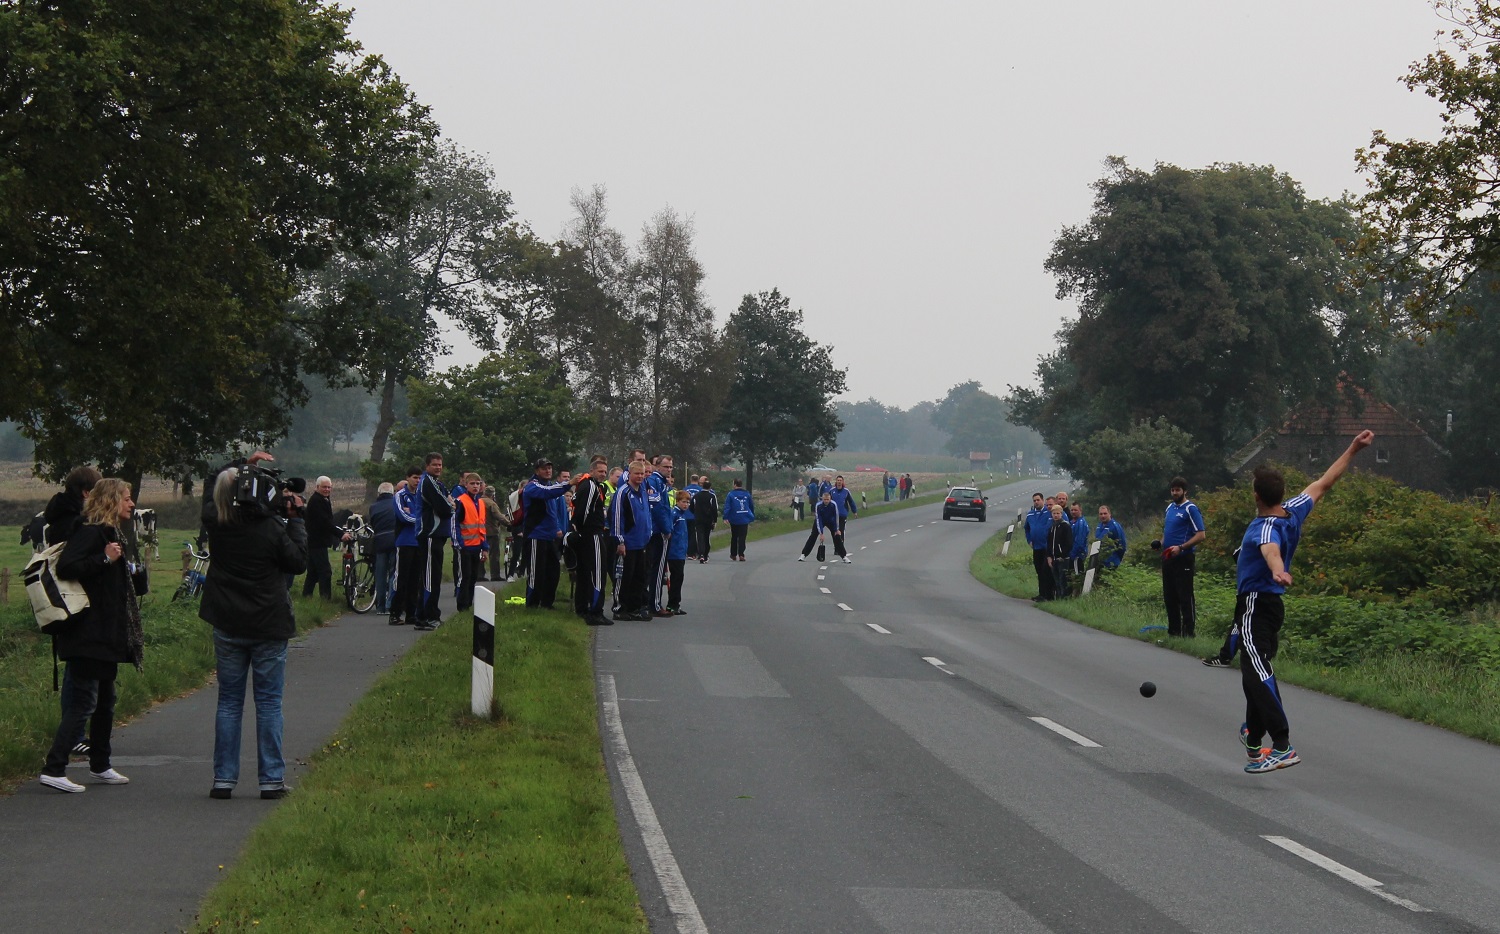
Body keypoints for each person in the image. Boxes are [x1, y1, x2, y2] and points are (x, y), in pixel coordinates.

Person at [1238, 430, 1374, 774]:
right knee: (1254, 669)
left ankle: (1282, 745)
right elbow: (1325, 481)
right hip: (1270, 606)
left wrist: (1278, 569)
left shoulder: (1264, 526)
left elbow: (1269, 549)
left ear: (1256, 495)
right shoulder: (1293, 511)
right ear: (1281, 494)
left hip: (1257, 601)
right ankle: (1255, 743)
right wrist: (1353, 449)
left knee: (1256, 671)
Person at [200, 467, 308, 799]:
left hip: (228, 620)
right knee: (269, 702)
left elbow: (213, 497)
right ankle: (271, 780)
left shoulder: (217, 522)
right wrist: (296, 518)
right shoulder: (272, 527)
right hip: (268, 622)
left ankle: (223, 779)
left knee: (229, 702)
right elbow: (298, 561)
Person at [38, 479, 142, 793]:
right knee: (84, 702)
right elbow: (69, 566)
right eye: (126, 498)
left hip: (106, 635)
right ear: (111, 500)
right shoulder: (91, 533)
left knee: (105, 702)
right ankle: (54, 767)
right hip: (87, 635)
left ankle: (100, 764)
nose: (132, 503)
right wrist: (105, 559)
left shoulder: (111, 535)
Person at [42, 465, 103, 759]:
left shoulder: (61, 515)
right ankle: (74, 736)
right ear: (86, 493)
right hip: (73, 599)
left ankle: (76, 733)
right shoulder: (74, 522)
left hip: (64, 599)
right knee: (77, 673)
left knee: (74, 669)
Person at [522, 458, 571, 609]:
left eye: (550, 468)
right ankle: (532, 603)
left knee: (553, 570)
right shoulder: (532, 486)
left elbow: (552, 511)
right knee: (536, 572)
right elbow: (547, 493)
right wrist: (569, 484)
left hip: (550, 536)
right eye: (544, 468)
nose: (548, 471)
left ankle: (547, 602)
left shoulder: (550, 486)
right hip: (536, 535)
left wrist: (558, 527)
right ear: (537, 471)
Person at [1161, 476, 1206, 637]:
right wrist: (1161, 544)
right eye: (1172, 490)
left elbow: (1201, 535)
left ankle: (1189, 633)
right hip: (1168, 558)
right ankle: (1174, 631)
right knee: (1169, 596)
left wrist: (1181, 547)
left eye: (1178, 490)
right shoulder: (1169, 508)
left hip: (1183, 558)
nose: (1175, 493)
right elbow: (1167, 532)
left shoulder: (1191, 509)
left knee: (1185, 596)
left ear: (1185, 491)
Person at [610, 460, 653, 621]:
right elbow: (617, 518)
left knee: (639, 577)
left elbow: (647, 513)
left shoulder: (642, 491)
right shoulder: (623, 492)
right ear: (630, 475)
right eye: (637, 474)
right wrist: (620, 541)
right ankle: (619, 608)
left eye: (642, 474)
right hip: (627, 542)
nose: (640, 477)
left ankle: (634, 608)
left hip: (642, 541)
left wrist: (649, 532)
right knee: (624, 577)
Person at [572, 457, 611, 625]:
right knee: (597, 573)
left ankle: (582, 608)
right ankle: (595, 611)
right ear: (592, 471)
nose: (603, 474)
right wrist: (582, 529)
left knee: (585, 572)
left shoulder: (591, 486)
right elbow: (583, 512)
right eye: (600, 471)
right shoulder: (590, 487)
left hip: (589, 534)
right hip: (592, 534)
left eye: (605, 472)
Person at [416, 453, 453, 630]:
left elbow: (450, 501)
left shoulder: (438, 483)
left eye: (440, 465)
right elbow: (445, 506)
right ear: (427, 466)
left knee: (432, 577)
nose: (438, 467)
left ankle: (423, 617)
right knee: (431, 578)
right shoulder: (428, 482)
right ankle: (429, 617)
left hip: (437, 535)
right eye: (434, 465)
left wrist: (451, 504)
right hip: (430, 534)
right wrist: (450, 505)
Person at [390, 467, 422, 626]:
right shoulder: (400, 496)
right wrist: (419, 521)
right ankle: (394, 613)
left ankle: (411, 613)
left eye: (419, 478)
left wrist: (415, 517)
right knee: (401, 578)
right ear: (408, 478)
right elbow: (403, 516)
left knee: (414, 580)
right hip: (404, 542)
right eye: (415, 477)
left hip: (418, 542)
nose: (417, 481)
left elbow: (426, 513)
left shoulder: (421, 495)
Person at [452, 472, 488, 612]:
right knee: (464, 577)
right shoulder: (461, 501)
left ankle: (469, 603)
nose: (475, 486)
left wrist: (484, 547)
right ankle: (462, 606)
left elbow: (481, 526)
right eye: (472, 483)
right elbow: (455, 523)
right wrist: (459, 543)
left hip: (477, 545)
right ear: (466, 485)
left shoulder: (480, 502)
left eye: (477, 484)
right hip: (465, 546)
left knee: (473, 577)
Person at [644, 454, 674, 617]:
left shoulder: (662, 482)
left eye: (670, 467)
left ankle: (653, 602)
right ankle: (654, 604)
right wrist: (666, 529)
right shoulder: (655, 482)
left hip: (658, 528)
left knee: (656, 568)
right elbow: (659, 508)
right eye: (666, 467)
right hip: (659, 530)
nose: (668, 470)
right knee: (659, 568)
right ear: (658, 466)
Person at [301, 476, 336, 600]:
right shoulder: (316, 501)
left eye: (329, 487)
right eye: (324, 487)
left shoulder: (323, 499)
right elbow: (324, 521)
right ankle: (325, 599)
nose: (327, 489)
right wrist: (340, 533)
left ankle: (307, 595)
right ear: (317, 487)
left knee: (313, 572)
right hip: (316, 542)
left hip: (316, 541)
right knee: (325, 571)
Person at [368, 482, 398, 615]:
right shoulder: (396, 503)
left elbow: (373, 524)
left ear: (379, 493)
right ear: (392, 493)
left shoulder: (373, 507)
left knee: (380, 574)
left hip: (379, 542)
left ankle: (379, 606)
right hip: (395, 540)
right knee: (393, 573)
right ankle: (390, 604)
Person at [799, 490, 848, 563]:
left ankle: (844, 556)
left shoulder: (833, 504)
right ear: (822, 499)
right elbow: (818, 519)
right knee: (813, 536)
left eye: (828, 499)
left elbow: (836, 517)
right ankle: (803, 554)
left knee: (837, 537)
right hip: (821, 520)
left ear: (830, 499)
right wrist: (821, 533)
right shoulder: (818, 505)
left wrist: (837, 529)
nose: (826, 501)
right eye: (824, 499)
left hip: (831, 521)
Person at [665, 490, 692, 614]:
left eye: (687, 502)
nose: (686, 505)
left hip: (681, 551)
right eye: (683, 502)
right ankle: (672, 604)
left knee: (679, 578)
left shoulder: (682, 515)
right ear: (677, 501)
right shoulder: (674, 514)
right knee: (676, 578)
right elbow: (669, 531)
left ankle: (676, 603)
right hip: (674, 552)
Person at [1024, 493, 1053, 601]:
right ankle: (1041, 594)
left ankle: (1048, 595)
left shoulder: (1048, 512)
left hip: (1046, 547)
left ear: (1042, 500)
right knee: (1039, 571)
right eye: (1034, 501)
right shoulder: (1030, 514)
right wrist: (1029, 540)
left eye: (1038, 500)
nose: (1036, 502)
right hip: (1036, 548)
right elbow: (1026, 528)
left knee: (1046, 571)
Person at [722, 479, 755, 561]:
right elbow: (751, 505)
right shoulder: (747, 494)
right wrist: (751, 515)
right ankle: (741, 554)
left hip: (734, 518)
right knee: (742, 537)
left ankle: (733, 554)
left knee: (734, 536)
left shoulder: (730, 494)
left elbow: (727, 507)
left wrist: (725, 517)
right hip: (744, 518)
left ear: (735, 485)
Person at [481, 485, 508, 582]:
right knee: (494, 554)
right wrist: (509, 523)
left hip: (480, 531)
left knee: (481, 554)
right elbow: (498, 516)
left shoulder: (479, 501)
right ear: (493, 494)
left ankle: (480, 574)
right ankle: (495, 575)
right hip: (492, 531)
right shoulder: (491, 503)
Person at [1046, 503, 1073, 600]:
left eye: (1058, 513)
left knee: (1063, 580)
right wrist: (1049, 556)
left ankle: (1064, 598)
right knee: (1056, 580)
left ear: (1061, 514)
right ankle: (1058, 598)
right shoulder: (1052, 527)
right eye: (1054, 513)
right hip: (1053, 558)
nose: (1056, 515)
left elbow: (1069, 543)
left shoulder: (1065, 526)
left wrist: (1063, 555)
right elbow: (1049, 543)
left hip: (1063, 558)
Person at [691, 478, 718, 563]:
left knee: (700, 537)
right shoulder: (711, 496)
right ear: (710, 487)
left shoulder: (696, 495)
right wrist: (715, 520)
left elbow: (691, 506)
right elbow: (714, 509)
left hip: (698, 519)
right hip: (708, 520)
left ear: (702, 486)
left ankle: (701, 554)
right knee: (706, 537)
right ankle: (705, 555)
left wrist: (695, 513)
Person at [1095, 505, 1127, 570]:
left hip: (1111, 563)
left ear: (1109, 514)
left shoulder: (1115, 527)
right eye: (1101, 514)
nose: (1103, 516)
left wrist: (1116, 559)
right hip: (1100, 562)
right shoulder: (1099, 526)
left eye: (1105, 513)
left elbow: (1122, 545)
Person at [1068, 503, 1090, 594]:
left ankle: (1078, 594)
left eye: (1075, 510)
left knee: (1077, 575)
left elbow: (1079, 542)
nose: (1073, 512)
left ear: (1080, 510)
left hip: (1077, 555)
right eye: (1072, 510)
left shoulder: (1081, 523)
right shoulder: (1072, 522)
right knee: (1071, 575)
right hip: (1072, 553)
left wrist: (1072, 555)